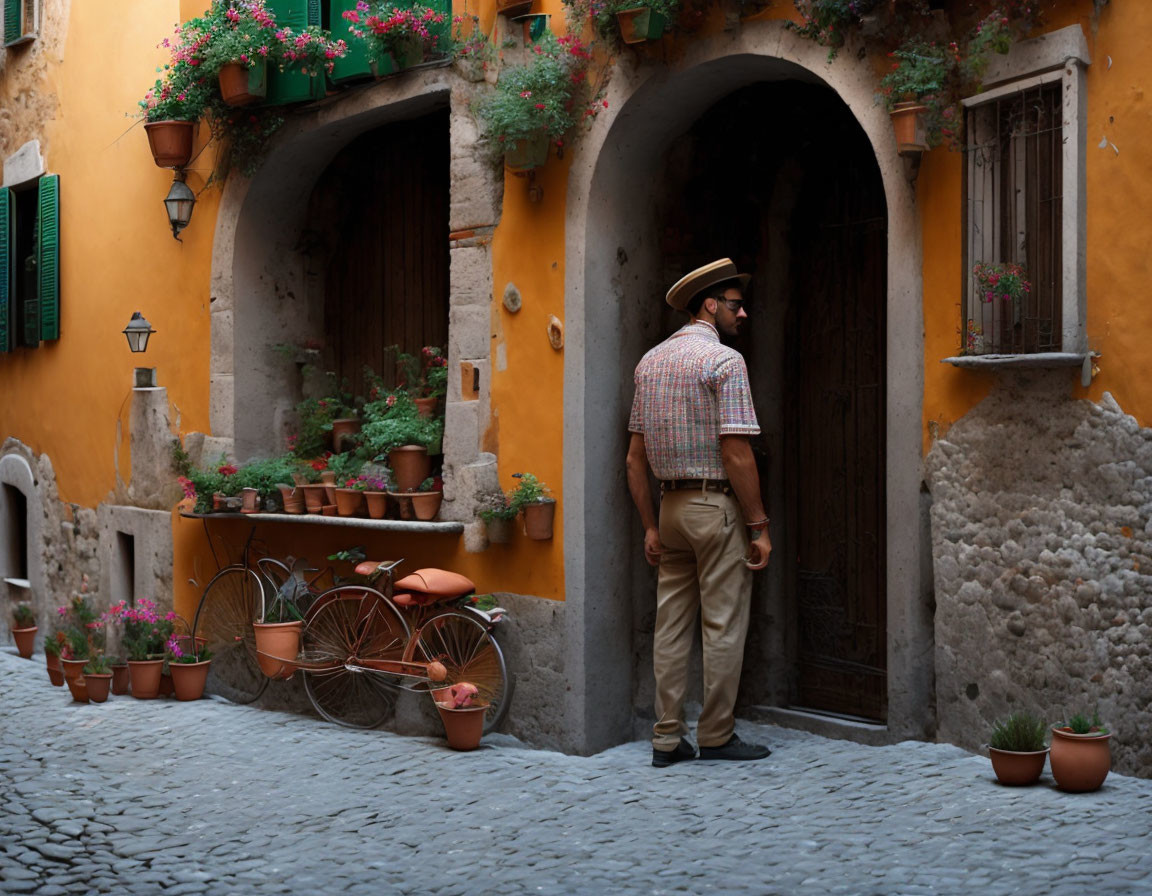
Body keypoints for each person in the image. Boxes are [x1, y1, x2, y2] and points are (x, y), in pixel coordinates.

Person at [626, 258, 773, 768]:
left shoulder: (650, 362)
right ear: (710, 305)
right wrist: (758, 525)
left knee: (670, 625)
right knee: (723, 624)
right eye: (735, 304)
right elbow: (736, 453)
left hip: (670, 508)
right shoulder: (724, 363)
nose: (743, 313)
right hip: (714, 507)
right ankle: (715, 735)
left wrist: (649, 524)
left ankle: (666, 739)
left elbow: (634, 458)